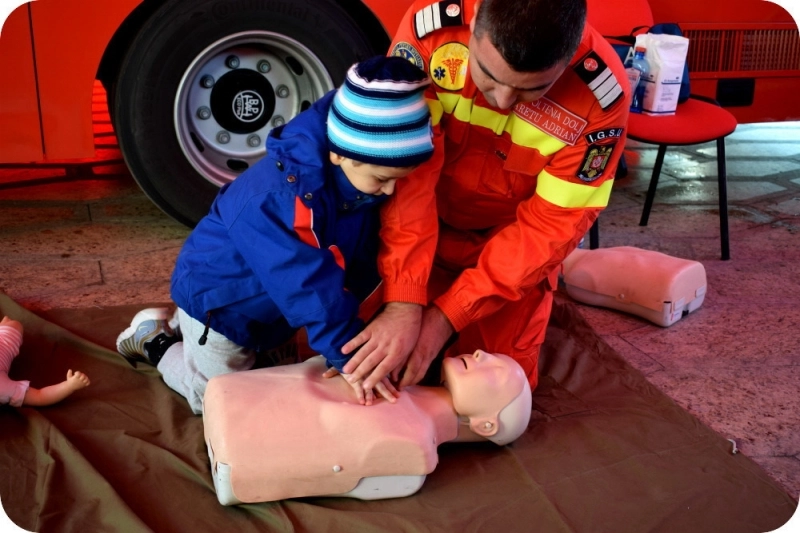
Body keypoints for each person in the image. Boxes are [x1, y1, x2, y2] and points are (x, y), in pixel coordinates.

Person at [115, 55, 436, 415]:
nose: (392, 192)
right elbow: (306, 284)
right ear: (339, 156)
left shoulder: (357, 185)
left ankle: (180, 328)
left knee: (279, 383)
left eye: (399, 179)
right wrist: (349, 353)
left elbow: (351, 265)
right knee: (222, 402)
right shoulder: (275, 198)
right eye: (382, 179)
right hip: (222, 306)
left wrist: (352, 337)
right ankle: (155, 341)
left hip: (270, 308)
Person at [339, 0, 631, 394]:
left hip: (505, 249)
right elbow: (409, 179)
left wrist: (447, 315)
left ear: (570, 52)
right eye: (489, 77)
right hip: (416, 231)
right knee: (349, 354)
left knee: (495, 395)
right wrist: (404, 299)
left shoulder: (600, 99)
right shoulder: (432, 34)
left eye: (534, 89)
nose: (504, 101)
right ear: (474, 24)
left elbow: (551, 227)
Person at [202, 349, 532, 504]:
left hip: (240, 448)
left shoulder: (413, 446)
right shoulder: (398, 371)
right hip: (235, 401)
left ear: (486, 424)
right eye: (491, 355)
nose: (480, 353)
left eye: (497, 370)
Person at [0, 316, 91, 406]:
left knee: (12, 324)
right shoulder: (3, 390)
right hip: (4, 342)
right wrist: (69, 386)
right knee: (14, 325)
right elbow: (39, 396)